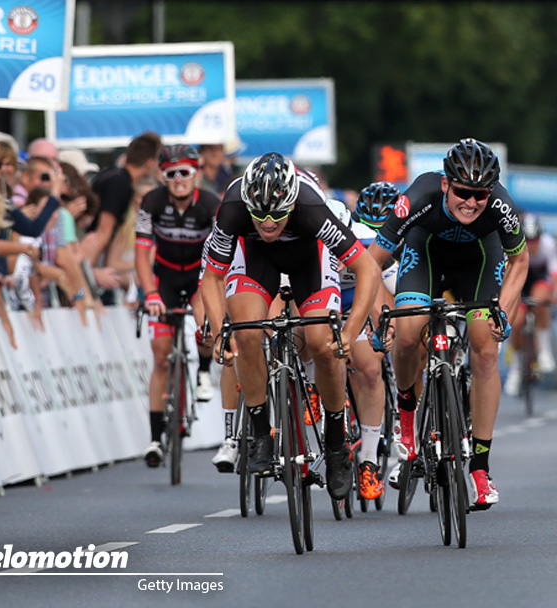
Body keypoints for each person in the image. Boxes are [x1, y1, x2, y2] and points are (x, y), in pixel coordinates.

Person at [201, 153, 381, 502]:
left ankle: (334, 443)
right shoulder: (235, 206)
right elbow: (212, 276)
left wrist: (348, 331)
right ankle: (259, 433)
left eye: (277, 215)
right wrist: (221, 327)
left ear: (291, 203)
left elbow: (368, 270)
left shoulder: (311, 206)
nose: (268, 223)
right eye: (260, 215)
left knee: (321, 343)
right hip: (255, 258)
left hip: (308, 258)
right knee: (247, 332)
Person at [367, 138, 528, 510]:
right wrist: (382, 311)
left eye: (479, 195)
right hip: (426, 254)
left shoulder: (501, 205)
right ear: (445, 184)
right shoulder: (420, 194)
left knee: (485, 348)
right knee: (408, 334)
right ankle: (406, 415)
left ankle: (480, 469)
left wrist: (502, 310)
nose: (471, 203)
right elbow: (371, 263)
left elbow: (521, 262)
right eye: (462, 193)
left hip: (479, 260)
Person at [135, 145, 222, 469]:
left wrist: (205, 297)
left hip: (202, 275)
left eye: (184, 172)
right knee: (160, 354)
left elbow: (218, 261)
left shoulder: (211, 205)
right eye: (170, 174)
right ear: (162, 176)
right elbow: (142, 253)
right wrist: (151, 293)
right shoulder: (152, 202)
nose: (178, 179)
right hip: (166, 277)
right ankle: (156, 438)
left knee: (204, 326)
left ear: (196, 173)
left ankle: (201, 371)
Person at [323, 182, 400, 501]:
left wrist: (383, 323)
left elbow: (378, 293)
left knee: (369, 367)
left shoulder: (365, 240)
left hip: (358, 304)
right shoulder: (305, 242)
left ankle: (369, 460)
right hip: (321, 308)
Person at [82, 132, 162, 296]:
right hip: (86, 254)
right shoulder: (120, 184)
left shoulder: (114, 175)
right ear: (150, 162)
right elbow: (103, 231)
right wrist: (87, 278)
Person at [504, 213, 557, 396]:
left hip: (538, 278)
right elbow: (504, 278)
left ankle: (544, 350)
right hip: (518, 279)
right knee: (516, 322)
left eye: (535, 240)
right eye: (528, 241)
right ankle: (515, 369)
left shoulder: (548, 244)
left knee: (541, 299)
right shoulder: (510, 244)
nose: (532, 244)